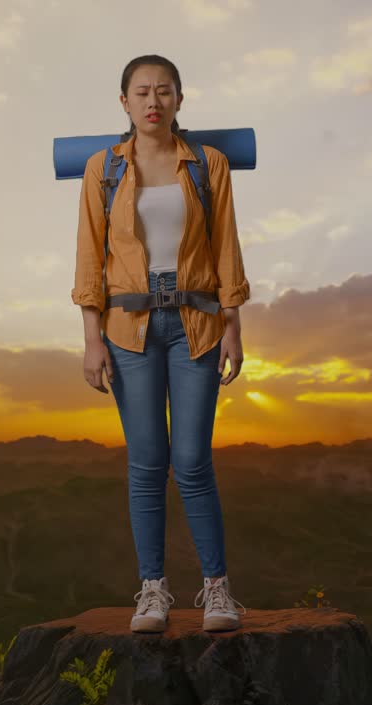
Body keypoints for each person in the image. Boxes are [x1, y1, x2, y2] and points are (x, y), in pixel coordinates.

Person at [71, 54, 252, 633]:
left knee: (194, 462)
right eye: (142, 92)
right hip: (128, 331)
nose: (154, 100)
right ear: (124, 102)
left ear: (179, 99)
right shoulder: (102, 169)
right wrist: (91, 338)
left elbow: (226, 245)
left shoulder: (208, 164)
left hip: (196, 325)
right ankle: (152, 590)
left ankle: (217, 591)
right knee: (147, 465)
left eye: (165, 91)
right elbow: (89, 257)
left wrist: (233, 325)